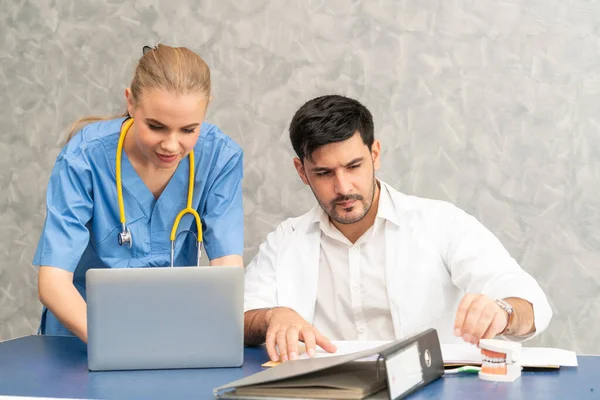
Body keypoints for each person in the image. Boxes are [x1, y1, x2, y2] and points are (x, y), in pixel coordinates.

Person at [244, 94, 552, 363]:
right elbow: (238, 319)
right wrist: (273, 316)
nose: (343, 187)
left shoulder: (440, 223)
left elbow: (528, 302)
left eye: (354, 166)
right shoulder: (286, 240)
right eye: (324, 173)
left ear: (374, 154)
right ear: (301, 171)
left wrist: (503, 312)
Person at [34, 44, 244, 343]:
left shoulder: (220, 158)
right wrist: (111, 345)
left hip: (169, 331)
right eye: (156, 127)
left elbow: (227, 270)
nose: (171, 145)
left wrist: (214, 338)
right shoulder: (84, 157)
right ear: (131, 103)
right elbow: (53, 282)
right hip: (81, 331)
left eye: (188, 130)